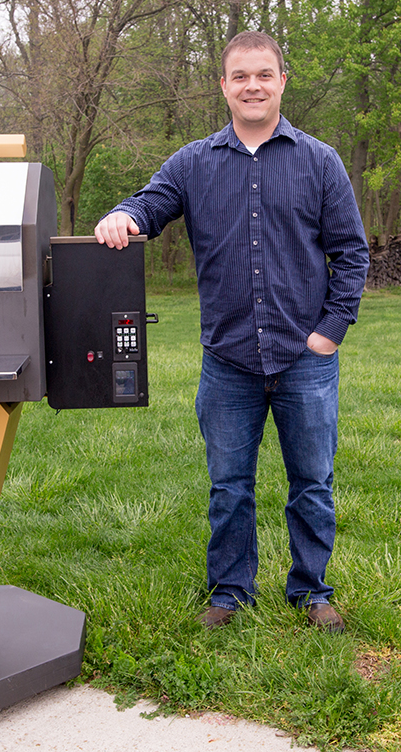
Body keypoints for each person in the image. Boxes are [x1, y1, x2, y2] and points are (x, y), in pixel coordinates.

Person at [94, 31, 370, 632]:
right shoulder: (193, 163)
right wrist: (122, 216)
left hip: (306, 358)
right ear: (223, 85)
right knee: (229, 487)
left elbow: (352, 253)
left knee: (313, 484)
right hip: (228, 359)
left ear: (281, 82)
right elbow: (149, 203)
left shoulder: (321, 161)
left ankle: (311, 591)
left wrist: (331, 329)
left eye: (263, 75)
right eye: (240, 76)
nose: (252, 86)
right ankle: (230, 594)